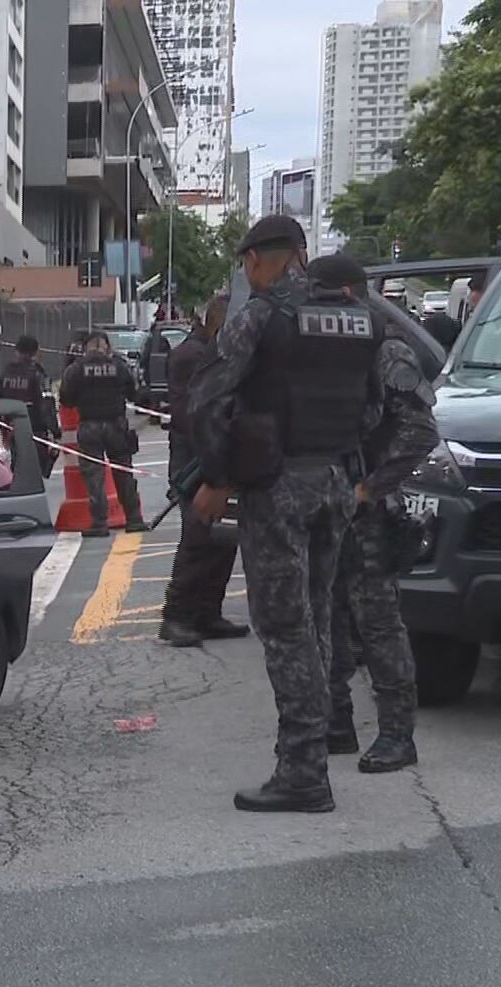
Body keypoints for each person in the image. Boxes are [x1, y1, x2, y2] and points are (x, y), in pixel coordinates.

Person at [192, 214, 378, 813]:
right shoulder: (356, 317)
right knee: (319, 619)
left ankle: (302, 774)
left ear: (255, 261)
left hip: (279, 488)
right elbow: (375, 409)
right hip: (337, 484)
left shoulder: (263, 315)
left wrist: (218, 477)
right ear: (300, 254)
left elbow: (209, 398)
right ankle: (317, 753)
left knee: (284, 627)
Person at [309, 254, 435, 773]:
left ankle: (397, 734)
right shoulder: (328, 350)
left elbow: (420, 432)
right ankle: (337, 723)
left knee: (378, 624)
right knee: (328, 616)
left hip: (368, 509)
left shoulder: (386, 350)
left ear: (348, 295)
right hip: (328, 503)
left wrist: (370, 487)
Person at [158, 296, 248, 648]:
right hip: (194, 461)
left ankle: (208, 612)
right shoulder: (191, 356)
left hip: (217, 457)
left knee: (223, 540)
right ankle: (177, 615)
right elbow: (190, 413)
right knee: (198, 539)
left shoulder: (211, 353)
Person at [59, 331, 146, 538]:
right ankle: (134, 519)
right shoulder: (119, 367)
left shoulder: (76, 369)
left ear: (87, 347)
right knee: (123, 471)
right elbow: (134, 394)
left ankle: (99, 523)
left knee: (94, 476)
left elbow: (66, 399)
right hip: (116, 424)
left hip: (89, 426)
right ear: (107, 347)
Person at [0, 335, 59, 476]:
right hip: (36, 430)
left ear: (16, 351)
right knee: (37, 473)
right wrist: (55, 432)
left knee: (17, 470)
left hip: (13, 428)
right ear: (37, 352)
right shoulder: (37, 374)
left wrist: (4, 430)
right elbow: (46, 405)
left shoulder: (6, 373)